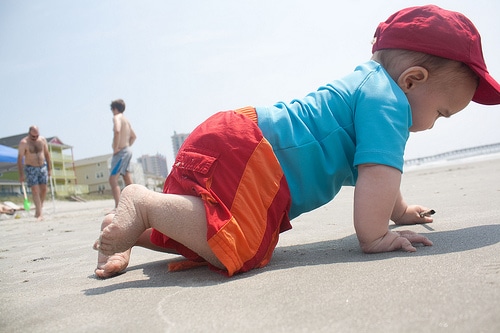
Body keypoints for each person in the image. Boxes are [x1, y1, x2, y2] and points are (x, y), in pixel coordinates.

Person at [94, 5, 500, 279]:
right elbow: (378, 172)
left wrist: (401, 210)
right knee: (242, 244)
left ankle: (132, 228)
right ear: (413, 80)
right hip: (252, 153)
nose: (434, 124)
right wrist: (376, 235)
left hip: (235, 135)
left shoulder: (369, 87)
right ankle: (144, 204)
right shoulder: (390, 102)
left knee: (206, 239)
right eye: (442, 113)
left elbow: (375, 176)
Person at [17, 125, 51, 221]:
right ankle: (39, 214)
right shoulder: (24, 143)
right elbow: (19, 159)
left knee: (44, 189)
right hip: (30, 167)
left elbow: (47, 154)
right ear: (29, 134)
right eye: (33, 136)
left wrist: (49, 169)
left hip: (42, 166)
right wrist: (21, 175)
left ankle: (39, 209)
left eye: (37, 136)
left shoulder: (42, 140)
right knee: (35, 190)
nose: (35, 138)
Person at [109, 99, 137, 209]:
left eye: (112, 109)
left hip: (121, 152)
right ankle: (135, 203)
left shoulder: (117, 117)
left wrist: (116, 148)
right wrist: (127, 145)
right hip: (127, 150)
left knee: (113, 179)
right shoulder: (127, 120)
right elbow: (134, 136)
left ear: (115, 108)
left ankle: (118, 207)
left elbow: (117, 130)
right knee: (126, 177)